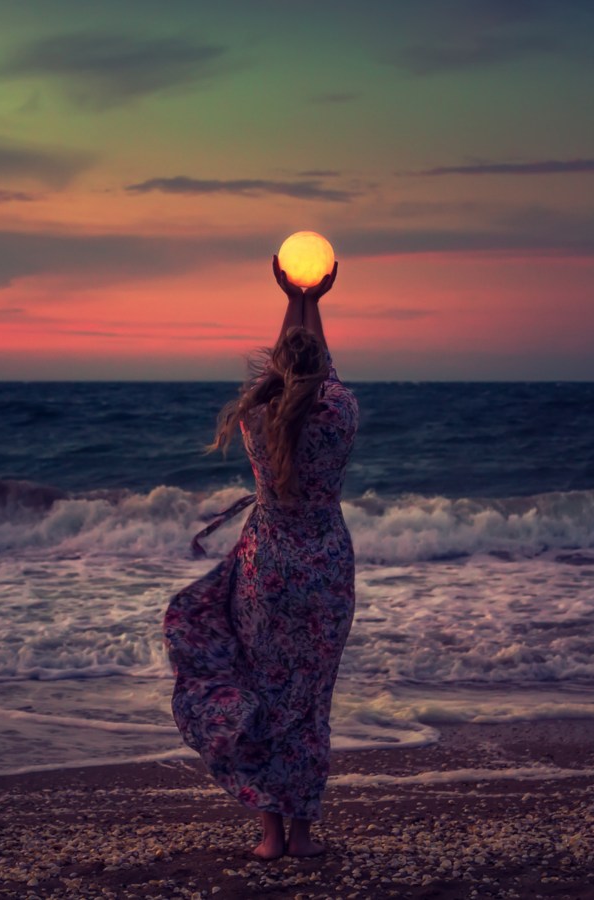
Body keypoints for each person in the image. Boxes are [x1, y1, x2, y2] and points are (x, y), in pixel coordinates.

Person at [163, 254, 358, 860]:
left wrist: (292, 300)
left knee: (266, 692)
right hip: (324, 567)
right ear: (325, 370)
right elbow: (316, 375)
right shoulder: (341, 414)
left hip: (266, 569)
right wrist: (314, 301)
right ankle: (302, 837)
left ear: (275, 372)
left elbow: (289, 375)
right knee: (310, 699)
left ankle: (270, 836)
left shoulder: (256, 418)